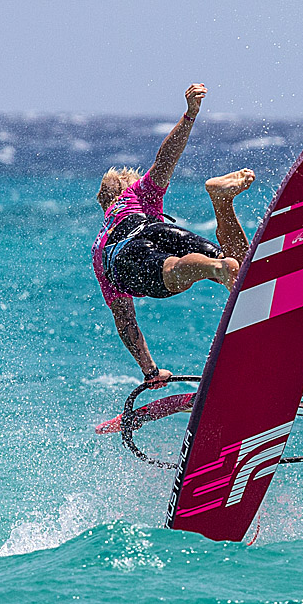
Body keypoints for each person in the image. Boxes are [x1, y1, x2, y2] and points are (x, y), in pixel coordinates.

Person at [91, 83, 255, 388]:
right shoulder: (141, 196)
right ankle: (221, 203)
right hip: (152, 226)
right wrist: (190, 115)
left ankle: (215, 269)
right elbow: (166, 159)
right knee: (236, 261)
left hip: (122, 252)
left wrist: (150, 371)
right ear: (129, 187)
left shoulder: (99, 248)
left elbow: (124, 319)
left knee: (173, 272)